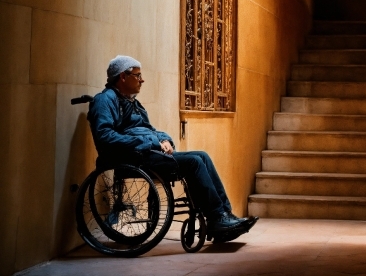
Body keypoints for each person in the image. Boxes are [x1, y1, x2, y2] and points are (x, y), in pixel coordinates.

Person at [87, 55, 258, 242]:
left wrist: (164, 139)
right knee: (193, 162)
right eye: (137, 75)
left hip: (148, 153)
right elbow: (105, 137)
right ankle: (217, 217)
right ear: (122, 77)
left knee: (202, 156)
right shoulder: (105, 100)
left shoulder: (131, 102)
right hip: (131, 158)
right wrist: (151, 144)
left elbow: (149, 129)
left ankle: (224, 214)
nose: (141, 79)